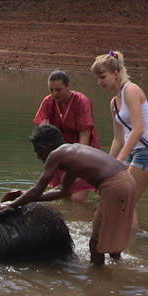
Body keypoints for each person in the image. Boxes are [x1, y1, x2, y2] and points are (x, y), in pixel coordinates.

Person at [0, 125, 137, 265]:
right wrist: (25, 195)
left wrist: (11, 204)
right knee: (110, 235)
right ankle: (119, 269)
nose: (38, 156)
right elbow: (64, 190)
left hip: (114, 186)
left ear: (44, 148)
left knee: (95, 245)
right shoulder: (71, 153)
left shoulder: (55, 155)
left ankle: (98, 281)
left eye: (37, 151)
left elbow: (38, 189)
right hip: (127, 181)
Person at [91, 50, 148, 228]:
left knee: (124, 201)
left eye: (102, 77)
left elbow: (139, 129)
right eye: (97, 78)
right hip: (131, 151)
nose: (99, 82)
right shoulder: (114, 103)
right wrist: (107, 166)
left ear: (116, 74)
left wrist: (120, 159)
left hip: (147, 152)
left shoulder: (131, 90)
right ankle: (127, 245)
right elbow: (118, 138)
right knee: (120, 200)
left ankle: (128, 245)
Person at [34, 69, 101, 203]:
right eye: (51, 90)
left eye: (59, 89)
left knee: (78, 198)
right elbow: (43, 130)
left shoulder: (82, 102)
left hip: (82, 149)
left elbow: (85, 135)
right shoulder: (48, 101)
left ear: (68, 85)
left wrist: (76, 166)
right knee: (62, 196)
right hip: (61, 149)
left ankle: (85, 217)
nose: (55, 94)